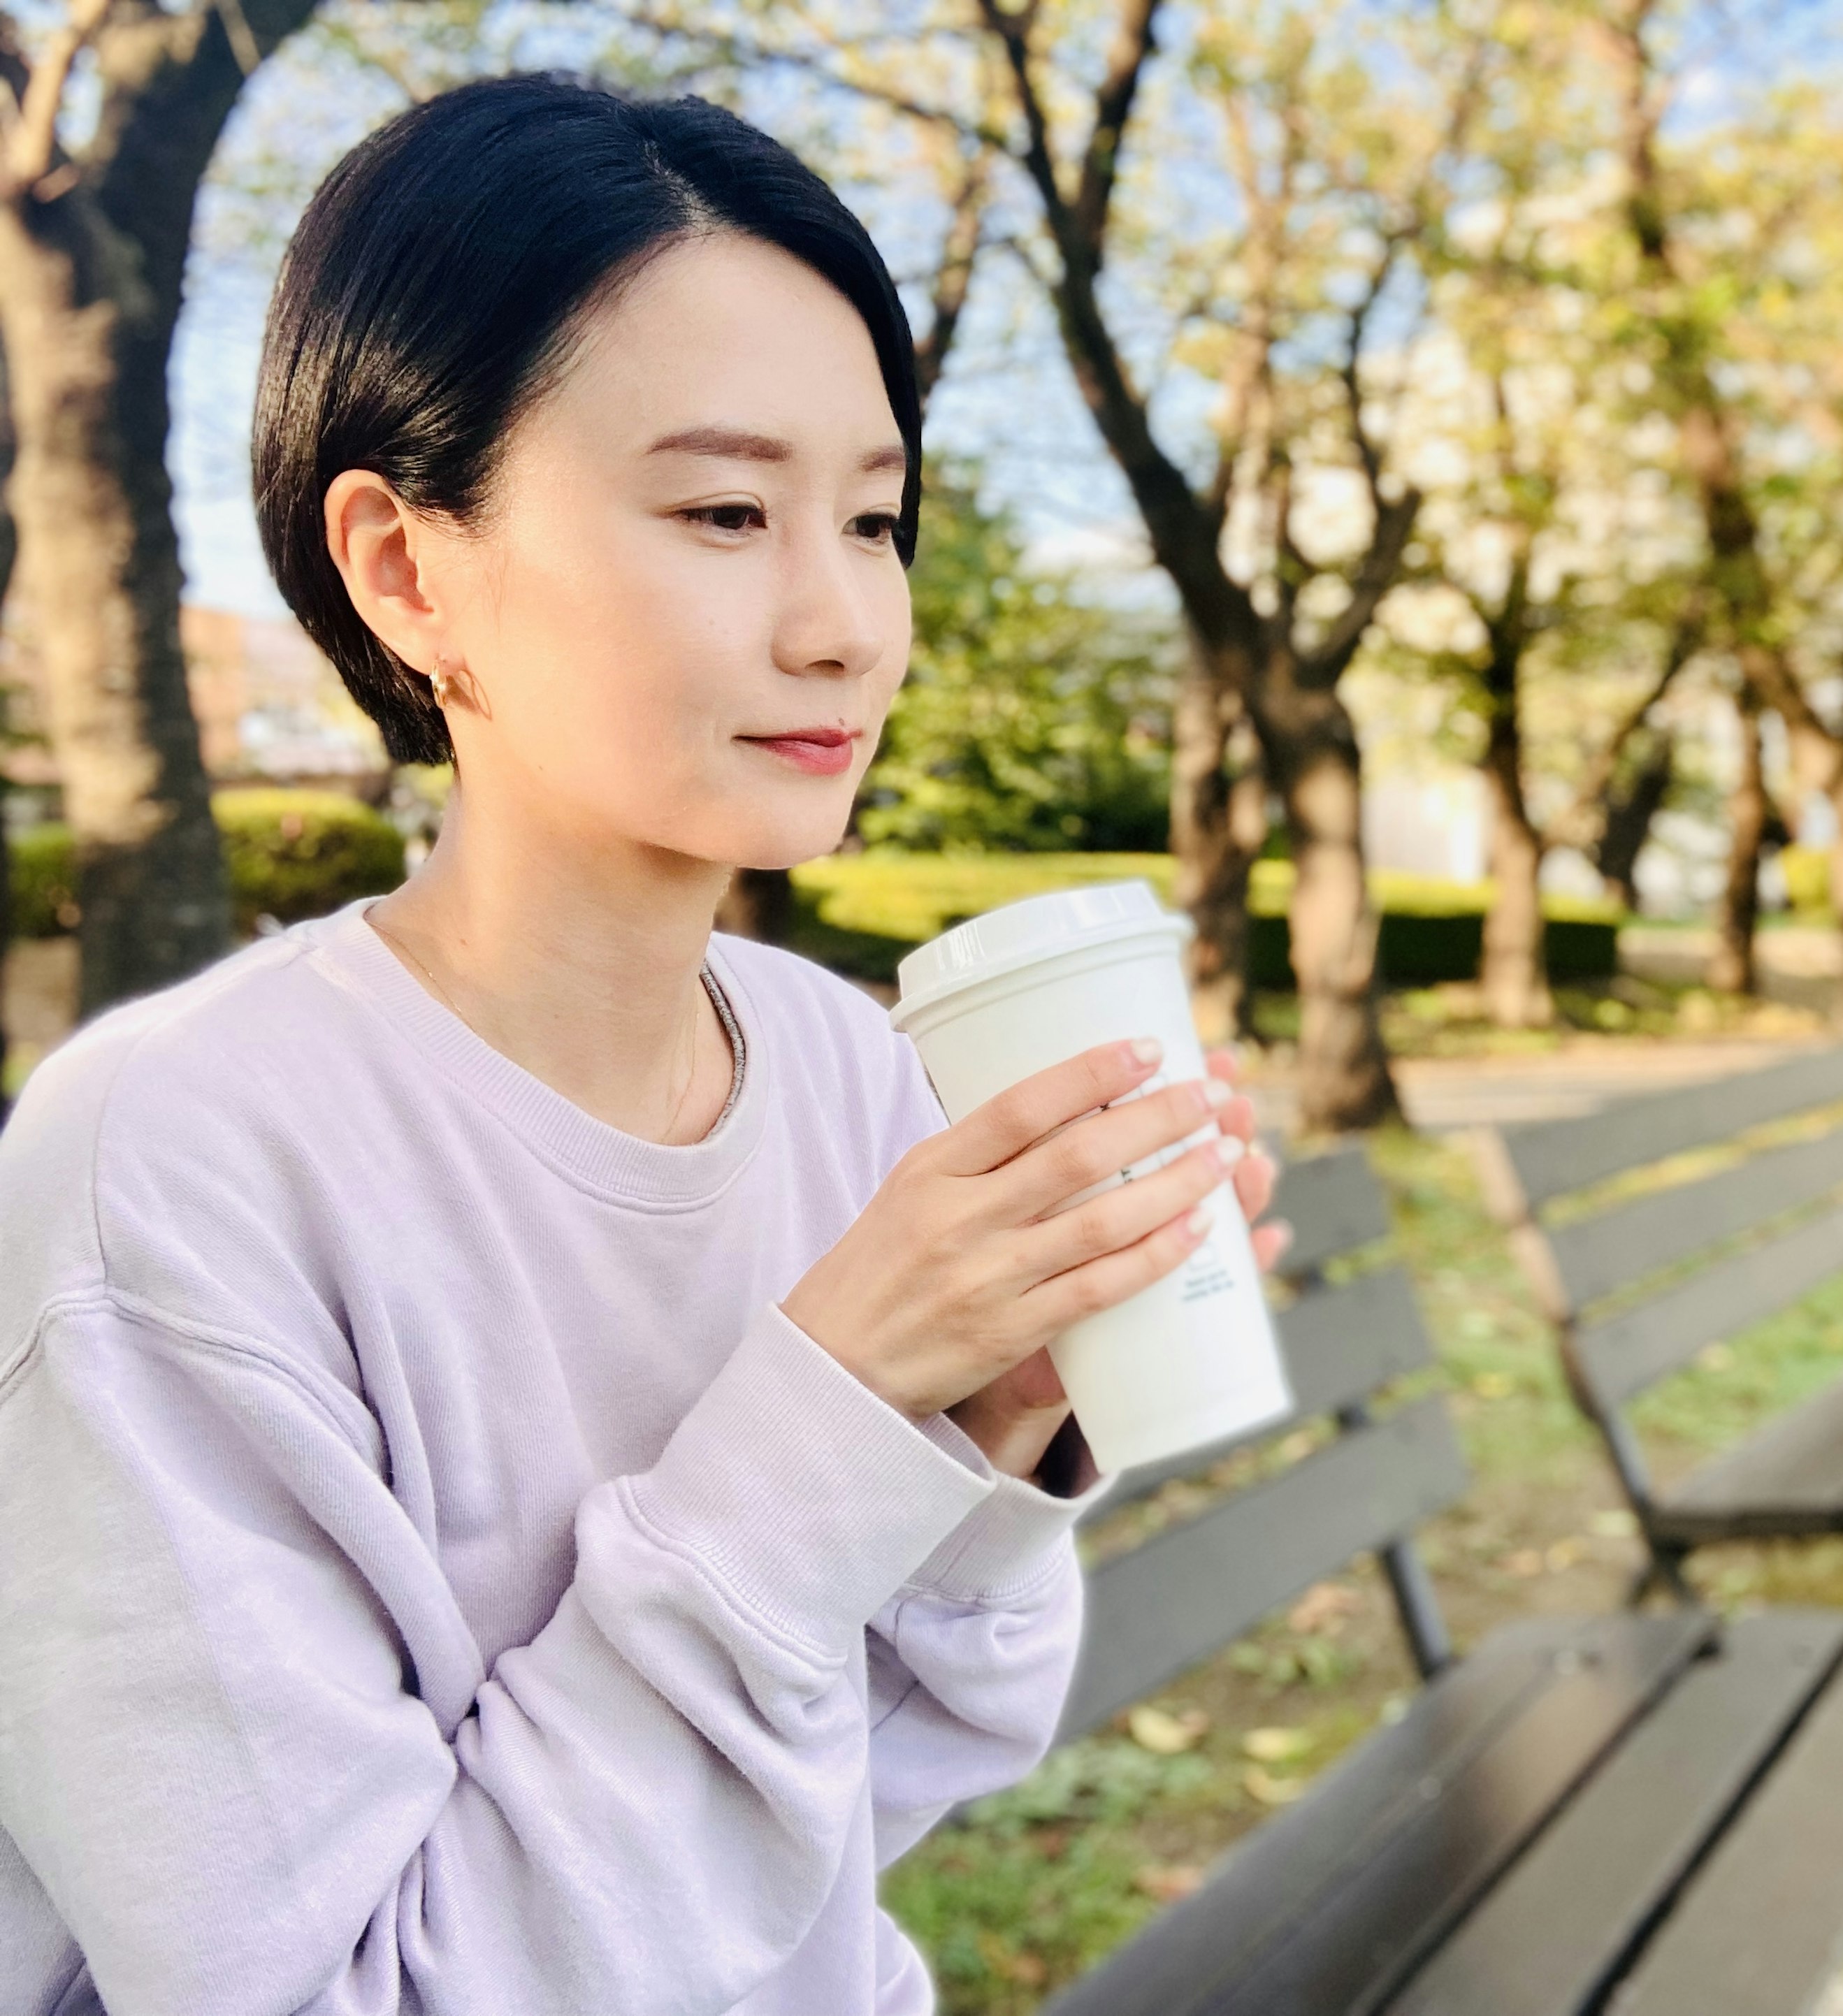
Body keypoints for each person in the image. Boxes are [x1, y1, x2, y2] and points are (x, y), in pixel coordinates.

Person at [0, 74, 1280, 2016]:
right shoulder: (172, 1166)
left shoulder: (843, 1072)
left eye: (876, 518)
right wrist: (833, 1406)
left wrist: (1000, 1422)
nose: (846, 619)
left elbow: (867, 1798)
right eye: (725, 511)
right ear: (406, 569)